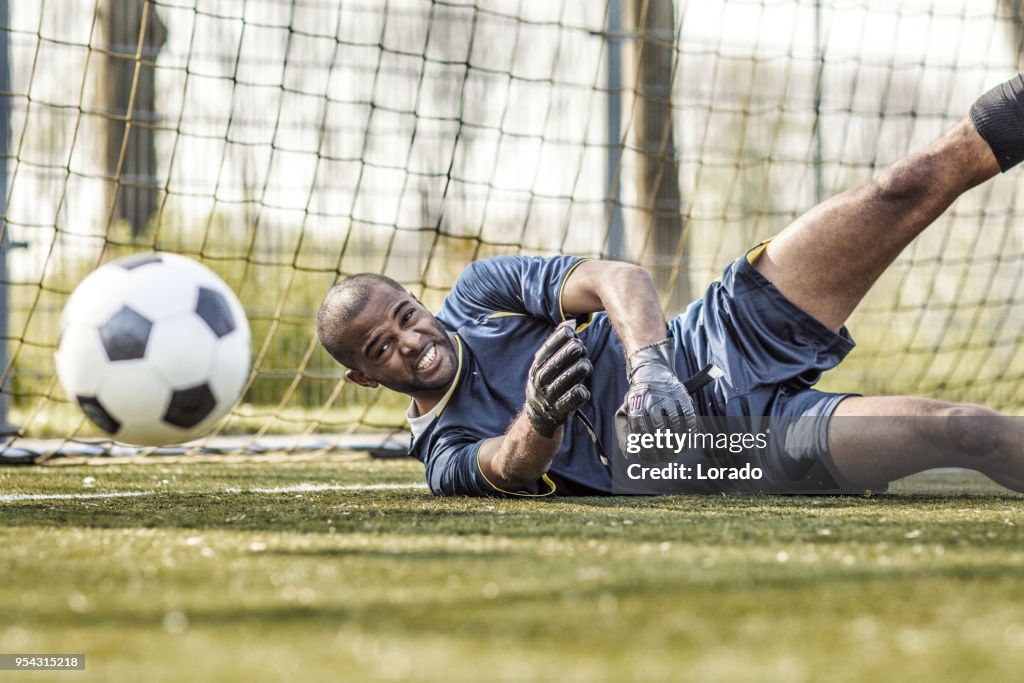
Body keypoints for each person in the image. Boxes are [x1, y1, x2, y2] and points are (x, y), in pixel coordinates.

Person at [317, 75, 1024, 498]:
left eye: (405, 315)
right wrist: (539, 414)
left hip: (718, 334)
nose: (411, 341)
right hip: (728, 448)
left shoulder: (477, 294)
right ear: (363, 377)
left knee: (905, 184)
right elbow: (506, 466)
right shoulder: (441, 455)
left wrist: (651, 368)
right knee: (959, 429)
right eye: (382, 348)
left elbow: (614, 277)